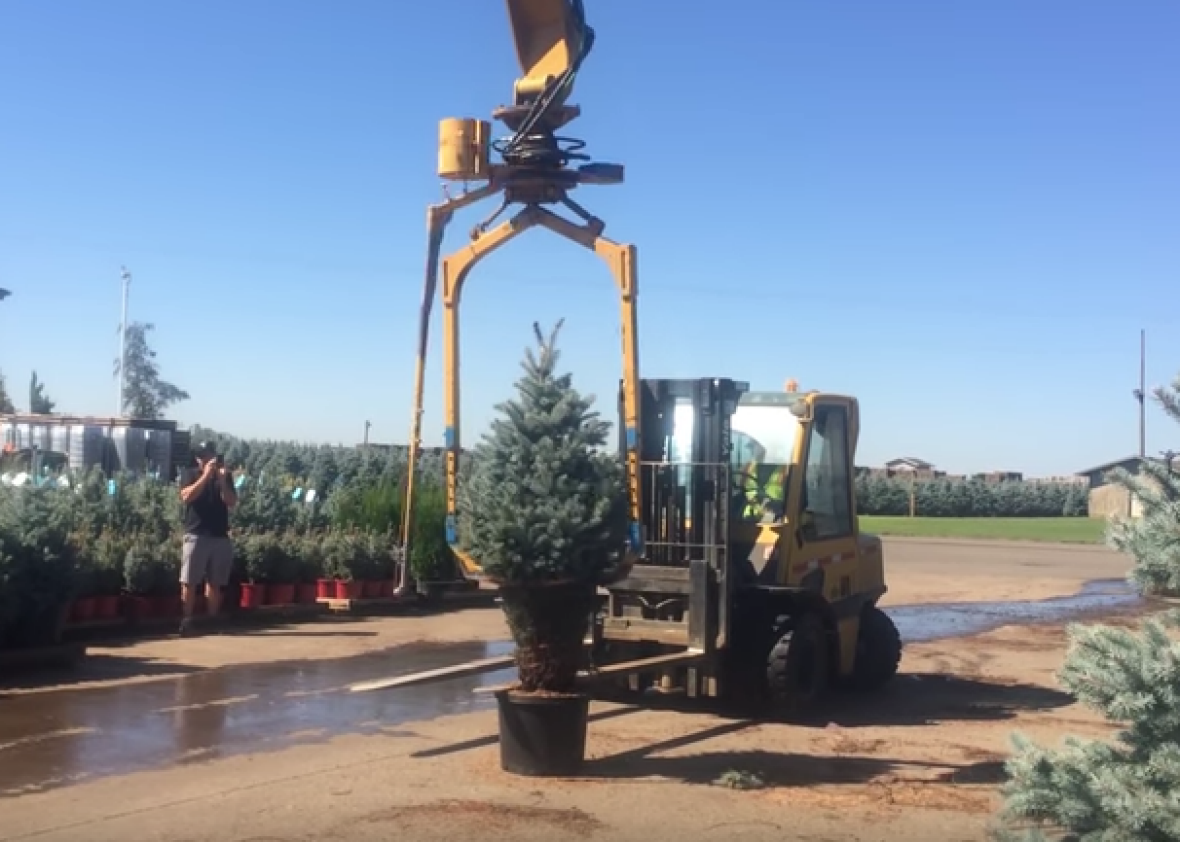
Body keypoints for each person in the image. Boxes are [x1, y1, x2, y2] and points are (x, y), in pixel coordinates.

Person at [178, 441, 237, 636]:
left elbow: (231, 502)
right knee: (190, 581)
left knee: (215, 582)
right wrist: (205, 476)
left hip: (219, 536)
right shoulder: (190, 474)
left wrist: (221, 481)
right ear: (198, 459)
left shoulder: (225, 476)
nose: (207, 459)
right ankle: (187, 621)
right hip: (196, 534)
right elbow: (187, 497)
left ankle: (213, 620)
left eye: (210, 455)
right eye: (203, 456)